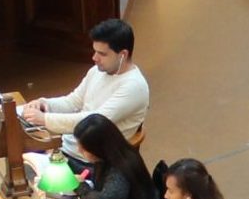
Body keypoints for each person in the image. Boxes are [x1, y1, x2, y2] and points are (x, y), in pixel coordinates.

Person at [18, 18, 150, 154]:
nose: (94, 58)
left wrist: (44, 119)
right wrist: (44, 104)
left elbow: (94, 122)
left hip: (94, 161)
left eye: (102, 54)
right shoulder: (97, 71)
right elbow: (73, 102)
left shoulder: (134, 87)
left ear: (123, 55)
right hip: (70, 147)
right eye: (95, 51)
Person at [70, 112, 163, 199]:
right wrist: (68, 163)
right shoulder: (115, 154)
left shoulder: (120, 169)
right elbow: (95, 174)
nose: (79, 151)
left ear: (98, 148)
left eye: (83, 149)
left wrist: (81, 187)